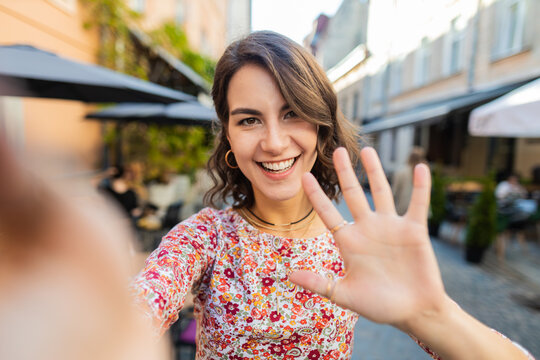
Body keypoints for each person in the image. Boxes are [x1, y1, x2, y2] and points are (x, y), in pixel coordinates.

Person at [132, 31, 534, 359]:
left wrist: (430, 313)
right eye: (250, 120)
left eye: (292, 113)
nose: (273, 142)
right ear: (229, 139)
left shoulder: (358, 243)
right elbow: (132, 312)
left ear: (321, 124)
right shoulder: (205, 238)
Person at [392, 146, 427, 215]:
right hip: (419, 210)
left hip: (402, 208)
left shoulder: (401, 171)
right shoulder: (424, 172)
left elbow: (394, 192)